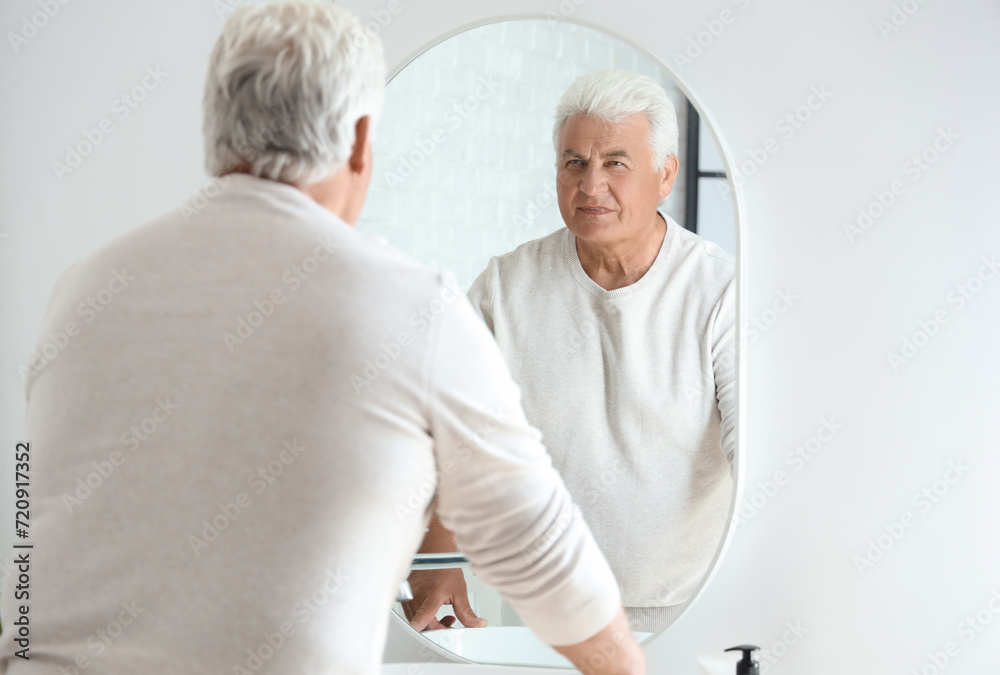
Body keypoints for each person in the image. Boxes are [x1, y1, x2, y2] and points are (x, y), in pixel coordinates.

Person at [0, 6, 645, 674]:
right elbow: (543, 554)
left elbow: (32, 543)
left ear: (216, 131)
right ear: (361, 139)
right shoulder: (412, 308)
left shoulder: (82, 289)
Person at [408, 69, 735, 633]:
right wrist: (438, 558)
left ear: (665, 175)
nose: (590, 186)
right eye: (574, 163)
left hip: (691, 605)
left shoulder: (719, 290)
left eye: (615, 162)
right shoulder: (507, 286)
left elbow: (753, 452)